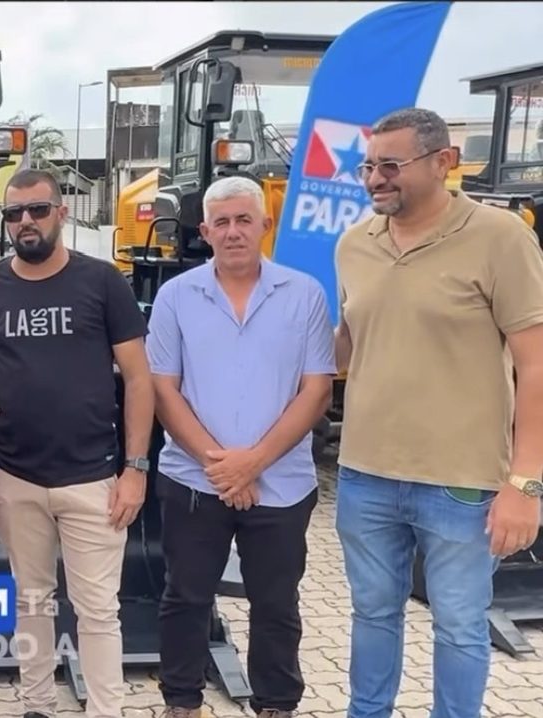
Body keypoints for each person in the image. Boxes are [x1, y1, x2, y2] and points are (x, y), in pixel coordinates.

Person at [334, 107, 543, 718]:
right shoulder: (354, 245)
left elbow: (534, 365)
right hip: (365, 476)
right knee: (372, 614)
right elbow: (350, 346)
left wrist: (526, 484)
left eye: (390, 165)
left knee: (458, 625)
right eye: (368, 166)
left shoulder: (501, 237)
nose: (375, 178)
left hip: (462, 483)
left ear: (443, 162)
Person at [0, 168, 154, 718]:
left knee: (98, 610)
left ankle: (106, 711)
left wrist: (136, 468)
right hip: (16, 478)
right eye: (13, 213)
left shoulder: (102, 282)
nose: (25, 221)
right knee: (31, 602)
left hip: (93, 479)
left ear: (62, 213)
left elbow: (139, 378)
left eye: (37, 210)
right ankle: (37, 704)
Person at [146, 176, 335, 718]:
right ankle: (182, 702)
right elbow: (163, 390)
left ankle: (276, 703)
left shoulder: (304, 294)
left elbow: (317, 389)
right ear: (205, 231)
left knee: (276, 603)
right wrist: (221, 466)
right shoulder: (176, 296)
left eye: (244, 220)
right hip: (193, 482)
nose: (233, 232)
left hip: (282, 484)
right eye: (222, 223)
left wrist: (253, 462)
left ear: (265, 225)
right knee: (185, 598)